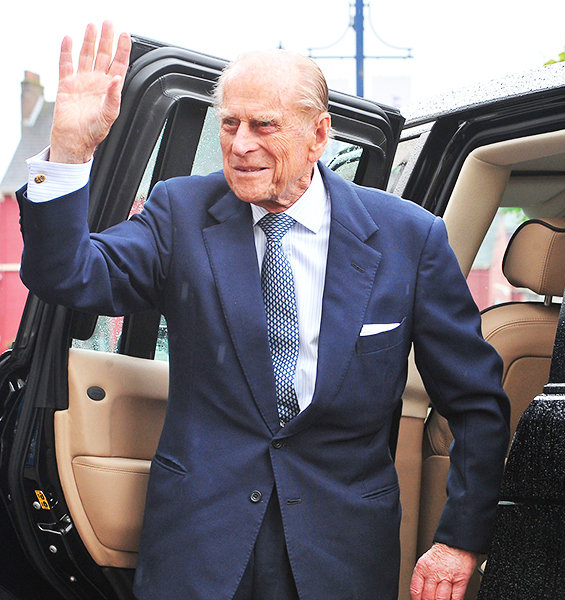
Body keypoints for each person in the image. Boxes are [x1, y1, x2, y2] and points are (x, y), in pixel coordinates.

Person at [17, 22, 510, 600]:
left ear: (318, 134)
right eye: (230, 123)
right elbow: (68, 275)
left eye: (264, 125)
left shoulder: (409, 238)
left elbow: (475, 402)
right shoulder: (181, 211)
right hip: (200, 547)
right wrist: (70, 150)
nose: (240, 144)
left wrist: (459, 540)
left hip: (340, 555)